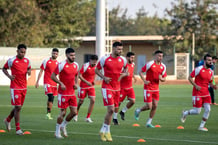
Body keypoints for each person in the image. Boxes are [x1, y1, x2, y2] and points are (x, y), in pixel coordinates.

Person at [95, 41, 128, 142]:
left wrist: (122, 75)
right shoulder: (105, 59)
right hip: (107, 87)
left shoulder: (123, 60)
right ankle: (108, 132)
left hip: (117, 88)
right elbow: (96, 70)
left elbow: (127, 71)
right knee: (111, 109)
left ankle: (102, 130)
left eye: (121, 49)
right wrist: (104, 77)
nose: (120, 51)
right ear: (113, 49)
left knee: (112, 110)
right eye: (118, 49)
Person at [181, 54, 217, 131]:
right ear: (204, 61)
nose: (210, 62)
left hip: (206, 93)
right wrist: (195, 85)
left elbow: (211, 81)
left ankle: (201, 126)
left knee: (208, 110)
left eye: (211, 60)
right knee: (197, 111)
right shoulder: (198, 69)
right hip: (197, 93)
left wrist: (214, 85)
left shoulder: (211, 71)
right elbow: (190, 77)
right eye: (208, 60)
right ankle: (185, 113)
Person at [3, 44, 31, 135]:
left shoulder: (27, 61)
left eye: (24, 52)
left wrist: (29, 71)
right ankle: (18, 129)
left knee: (18, 107)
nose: (23, 54)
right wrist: (9, 76)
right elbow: (4, 68)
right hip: (15, 87)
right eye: (21, 52)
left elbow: (29, 68)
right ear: (17, 51)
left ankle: (7, 120)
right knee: (18, 107)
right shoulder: (12, 60)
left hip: (24, 87)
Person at [51, 48, 79, 139]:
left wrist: (76, 83)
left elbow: (76, 75)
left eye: (74, 55)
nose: (73, 57)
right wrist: (60, 83)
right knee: (62, 113)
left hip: (72, 93)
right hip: (63, 93)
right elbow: (53, 76)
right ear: (67, 55)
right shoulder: (61, 65)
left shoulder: (76, 65)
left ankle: (63, 125)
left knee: (74, 112)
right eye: (71, 55)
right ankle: (57, 132)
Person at [134, 50, 167, 128]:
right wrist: (144, 80)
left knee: (155, 106)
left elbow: (164, 78)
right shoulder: (150, 64)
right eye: (159, 56)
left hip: (156, 89)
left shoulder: (163, 66)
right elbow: (140, 72)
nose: (160, 58)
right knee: (149, 106)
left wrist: (161, 79)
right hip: (148, 88)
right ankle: (138, 110)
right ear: (155, 56)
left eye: (162, 56)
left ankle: (149, 122)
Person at [113, 52, 136, 125]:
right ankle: (115, 118)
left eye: (133, 58)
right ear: (127, 57)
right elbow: (117, 74)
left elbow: (131, 72)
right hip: (122, 88)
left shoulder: (133, 64)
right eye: (131, 58)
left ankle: (123, 111)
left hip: (130, 87)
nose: (133, 59)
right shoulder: (122, 65)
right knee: (118, 103)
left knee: (132, 101)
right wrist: (124, 75)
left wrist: (134, 77)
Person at [35, 48, 59, 120]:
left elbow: (59, 73)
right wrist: (37, 81)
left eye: (56, 54)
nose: (54, 55)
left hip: (54, 83)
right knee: (50, 96)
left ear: (57, 55)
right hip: (47, 82)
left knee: (52, 99)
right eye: (53, 53)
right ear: (51, 53)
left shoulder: (58, 63)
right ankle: (48, 114)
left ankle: (48, 113)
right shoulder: (46, 61)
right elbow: (41, 71)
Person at [73, 54, 98, 123]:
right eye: (93, 60)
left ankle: (88, 117)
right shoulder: (85, 66)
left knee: (93, 100)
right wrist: (86, 82)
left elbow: (95, 73)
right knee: (81, 101)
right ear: (90, 60)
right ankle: (75, 114)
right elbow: (79, 75)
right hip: (83, 86)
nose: (94, 62)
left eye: (95, 61)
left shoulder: (96, 67)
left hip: (91, 86)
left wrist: (94, 80)